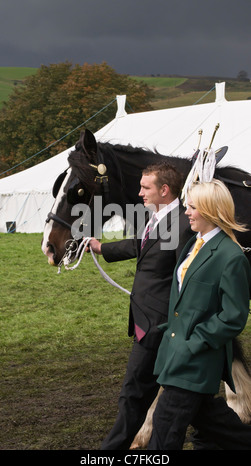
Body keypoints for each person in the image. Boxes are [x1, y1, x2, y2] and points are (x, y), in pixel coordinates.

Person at [87, 161, 193, 449]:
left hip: (158, 325)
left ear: (165, 190)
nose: (140, 193)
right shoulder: (159, 217)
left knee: (134, 393)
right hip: (146, 319)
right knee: (188, 402)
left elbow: (184, 281)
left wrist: (173, 328)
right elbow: (142, 245)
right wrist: (101, 247)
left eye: (146, 188)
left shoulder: (183, 225)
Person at [148, 179, 251, 450]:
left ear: (210, 210)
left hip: (196, 360)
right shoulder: (194, 243)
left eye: (192, 207)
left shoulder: (231, 257)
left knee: (164, 426)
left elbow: (234, 316)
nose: (186, 212)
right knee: (216, 427)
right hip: (176, 354)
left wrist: (194, 342)